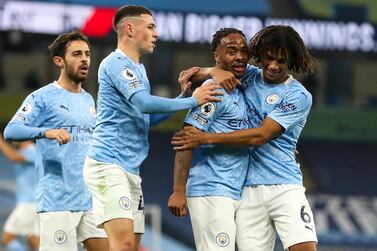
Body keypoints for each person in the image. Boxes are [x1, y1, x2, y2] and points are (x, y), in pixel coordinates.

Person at [83, 5, 222, 251]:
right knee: (123, 244)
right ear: (129, 29)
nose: (156, 33)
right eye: (150, 27)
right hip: (108, 165)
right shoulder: (115, 63)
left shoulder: (139, 69)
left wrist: (182, 96)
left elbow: (145, 117)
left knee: (132, 246)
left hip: (130, 169)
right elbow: (144, 102)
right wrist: (193, 100)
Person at [172, 25, 318, 251]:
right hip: (248, 192)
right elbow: (190, 75)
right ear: (259, 56)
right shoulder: (248, 75)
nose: (273, 65)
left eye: (281, 61)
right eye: (268, 58)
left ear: (292, 60)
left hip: (285, 185)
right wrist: (213, 71)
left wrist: (205, 138)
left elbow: (261, 135)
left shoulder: (298, 95)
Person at [4, 31, 109, 251]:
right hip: (58, 201)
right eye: (77, 54)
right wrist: (46, 132)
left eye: (87, 54)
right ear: (59, 61)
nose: (85, 59)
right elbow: (11, 131)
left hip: (89, 199)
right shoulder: (42, 97)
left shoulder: (89, 99)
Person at [167, 28, 250, 251]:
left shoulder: (243, 86)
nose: (240, 56)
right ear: (217, 56)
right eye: (231, 51)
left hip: (236, 190)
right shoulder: (213, 89)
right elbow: (187, 137)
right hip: (211, 188)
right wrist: (179, 190)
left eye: (244, 50)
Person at [0, 134, 39, 251]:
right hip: (33, 204)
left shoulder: (33, 151)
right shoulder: (26, 151)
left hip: (28, 204)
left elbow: (13, 157)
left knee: (7, 238)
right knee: (34, 242)